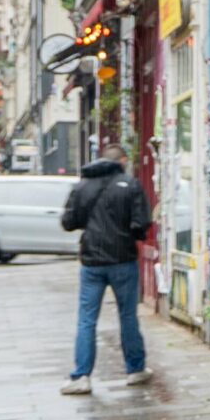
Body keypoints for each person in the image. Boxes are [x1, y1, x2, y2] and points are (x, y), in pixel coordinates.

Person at [59, 143, 153, 395]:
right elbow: (142, 223)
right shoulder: (130, 185)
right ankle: (135, 369)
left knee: (87, 319)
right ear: (121, 160)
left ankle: (81, 376)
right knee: (127, 316)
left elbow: (68, 222)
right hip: (123, 260)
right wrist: (130, 234)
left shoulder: (82, 186)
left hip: (92, 262)